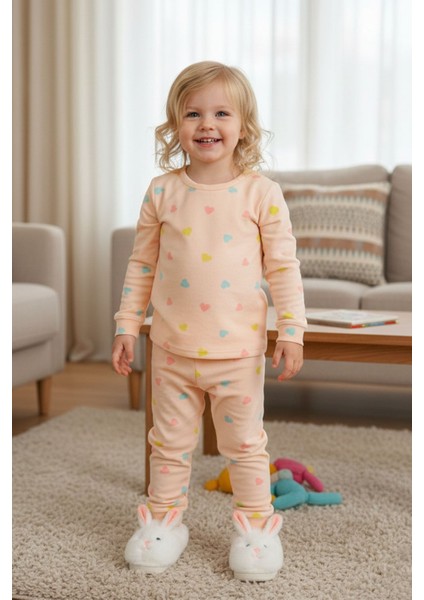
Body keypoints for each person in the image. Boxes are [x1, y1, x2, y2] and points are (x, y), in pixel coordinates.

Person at [112, 61, 306, 581]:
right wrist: (127, 325)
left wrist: (291, 330)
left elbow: (283, 267)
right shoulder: (162, 191)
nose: (207, 124)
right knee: (168, 444)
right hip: (170, 349)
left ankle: (256, 529)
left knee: (245, 446)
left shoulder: (261, 193)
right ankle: (164, 522)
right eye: (193, 113)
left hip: (238, 353)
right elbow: (142, 264)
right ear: (176, 124)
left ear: (244, 125)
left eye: (221, 113)